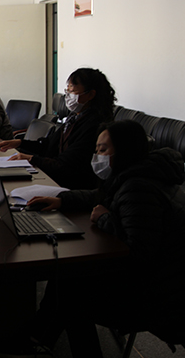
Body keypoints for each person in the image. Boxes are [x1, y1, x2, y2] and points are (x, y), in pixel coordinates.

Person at [17, 120, 185, 357]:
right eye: (96, 150)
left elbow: (139, 253)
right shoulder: (140, 172)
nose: (97, 156)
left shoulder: (139, 187)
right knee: (67, 280)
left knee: (71, 292)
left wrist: (105, 219)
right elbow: (102, 196)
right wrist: (63, 200)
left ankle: (38, 339)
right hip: (162, 282)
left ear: (125, 150)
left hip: (161, 298)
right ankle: (38, 339)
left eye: (103, 150)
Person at [0, 68, 117, 190]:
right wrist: (20, 142)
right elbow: (49, 144)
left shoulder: (94, 125)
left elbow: (66, 164)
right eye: (67, 90)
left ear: (90, 94)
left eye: (72, 91)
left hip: (74, 187)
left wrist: (31, 159)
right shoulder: (74, 118)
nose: (67, 96)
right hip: (59, 179)